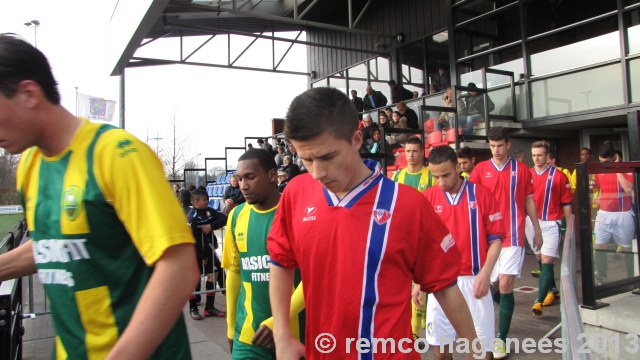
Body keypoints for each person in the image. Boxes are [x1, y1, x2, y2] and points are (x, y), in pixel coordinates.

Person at [0, 34, 198, 359]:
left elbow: (179, 268)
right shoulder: (29, 168)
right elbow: (53, 246)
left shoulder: (118, 154)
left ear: (28, 93)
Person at [267, 87, 479, 360]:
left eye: (328, 157)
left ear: (356, 139)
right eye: (306, 159)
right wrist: (282, 334)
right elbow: (281, 262)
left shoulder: (407, 205)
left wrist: (474, 350)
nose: (317, 172)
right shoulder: (296, 193)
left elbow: (445, 287)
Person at [421, 146, 504, 360]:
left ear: (458, 166)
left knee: (479, 352)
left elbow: (496, 239)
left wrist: (486, 273)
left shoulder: (482, 195)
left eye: (446, 175)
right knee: (440, 353)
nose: (441, 182)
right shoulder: (428, 198)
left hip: (475, 281)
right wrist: (417, 284)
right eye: (435, 176)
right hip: (441, 284)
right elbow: (421, 246)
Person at [222, 149, 305, 359]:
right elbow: (234, 273)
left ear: (272, 176)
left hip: (296, 336)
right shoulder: (236, 216)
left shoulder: (299, 213)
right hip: (248, 338)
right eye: (239, 179)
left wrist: (280, 318)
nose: (243, 186)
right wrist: (232, 328)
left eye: (250, 177)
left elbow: (316, 276)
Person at [469, 126, 542, 359]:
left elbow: (529, 201)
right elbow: (471, 203)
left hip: (513, 236)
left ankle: (500, 338)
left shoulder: (521, 170)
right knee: (489, 289)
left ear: (508, 145)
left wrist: (536, 230)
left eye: (500, 145)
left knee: (505, 284)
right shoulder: (480, 170)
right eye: (492, 146)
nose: (496, 150)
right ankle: (485, 331)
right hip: (487, 239)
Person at [390, 136, 436, 342]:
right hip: (404, 236)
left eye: (415, 151)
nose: (410, 155)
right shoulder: (397, 177)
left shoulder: (431, 176)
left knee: (422, 281)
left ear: (422, 153)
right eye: (407, 151)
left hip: (426, 236)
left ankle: (423, 324)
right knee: (407, 283)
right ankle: (413, 328)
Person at [528, 141, 573, 316]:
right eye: (534, 155)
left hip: (552, 223)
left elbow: (567, 203)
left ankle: (538, 301)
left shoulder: (560, 176)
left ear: (548, 156)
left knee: (547, 262)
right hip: (532, 223)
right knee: (540, 259)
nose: (537, 158)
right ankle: (553, 290)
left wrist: (568, 228)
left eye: (540, 155)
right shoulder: (528, 174)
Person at [593, 141, 635, 284]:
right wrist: (598, 196)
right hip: (604, 214)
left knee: (626, 248)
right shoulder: (600, 170)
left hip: (623, 214)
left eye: (606, 162)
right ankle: (602, 277)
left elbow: (628, 189)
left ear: (614, 158)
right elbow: (599, 187)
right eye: (600, 161)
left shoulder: (625, 168)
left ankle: (631, 279)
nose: (603, 164)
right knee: (599, 245)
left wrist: (617, 169)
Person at [187, 188, 228, 319]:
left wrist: (211, 226)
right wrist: (201, 256)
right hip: (195, 253)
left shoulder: (209, 211)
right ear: (195, 202)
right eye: (204, 200)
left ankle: (209, 308)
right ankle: (193, 308)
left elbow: (224, 218)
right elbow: (194, 240)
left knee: (213, 274)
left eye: (207, 199)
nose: (207, 202)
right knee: (193, 280)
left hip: (209, 250)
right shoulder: (191, 217)